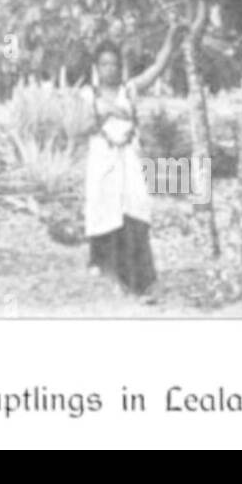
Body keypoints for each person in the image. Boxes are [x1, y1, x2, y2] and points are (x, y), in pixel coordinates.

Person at [79, 23, 179, 299]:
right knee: (107, 215)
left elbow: (157, 67)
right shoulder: (88, 95)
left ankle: (144, 282)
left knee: (134, 215)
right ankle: (115, 275)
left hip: (129, 164)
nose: (109, 69)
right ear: (97, 67)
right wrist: (108, 111)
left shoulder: (130, 90)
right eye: (104, 64)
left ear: (120, 67)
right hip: (103, 163)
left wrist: (170, 39)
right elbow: (81, 127)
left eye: (113, 64)